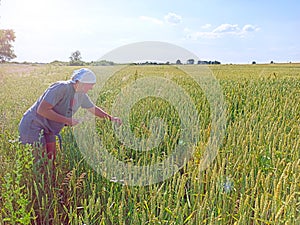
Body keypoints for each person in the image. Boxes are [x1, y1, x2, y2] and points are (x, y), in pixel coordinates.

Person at [18, 68, 121, 165]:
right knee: (39, 161)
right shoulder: (61, 87)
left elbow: (93, 109)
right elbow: (42, 110)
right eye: (90, 84)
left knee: (51, 159)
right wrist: (67, 120)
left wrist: (111, 118)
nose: (91, 87)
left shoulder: (81, 95)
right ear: (80, 82)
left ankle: (51, 182)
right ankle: (38, 182)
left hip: (49, 129)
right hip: (33, 125)